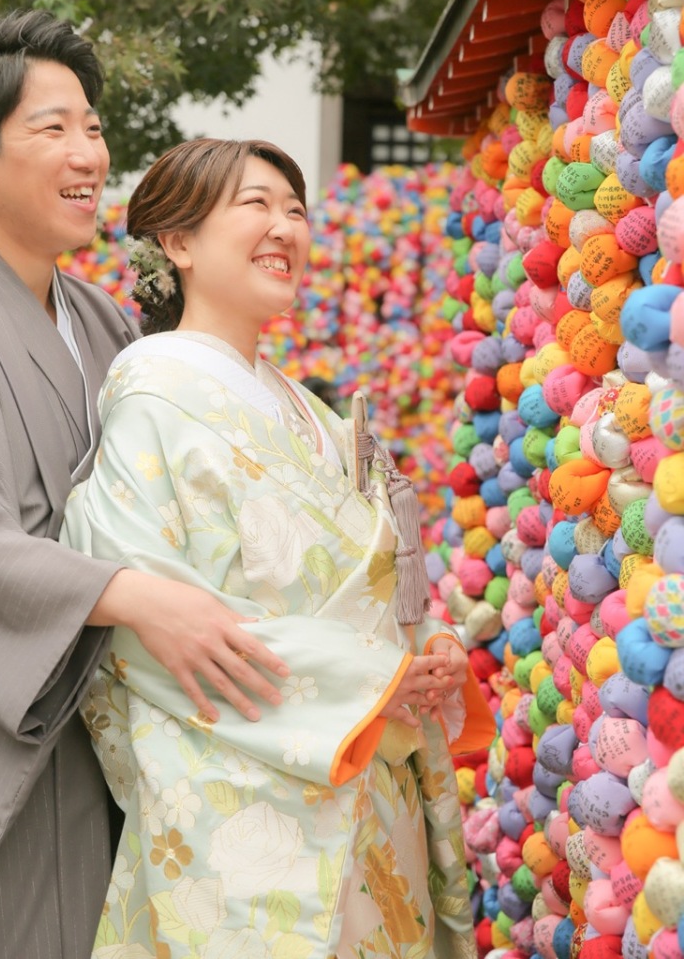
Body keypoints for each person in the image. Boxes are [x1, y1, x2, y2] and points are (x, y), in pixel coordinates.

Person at [0, 15, 291, 959]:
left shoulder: (106, 320)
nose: (88, 154)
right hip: (4, 735)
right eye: (53, 128)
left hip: (127, 719)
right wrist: (137, 595)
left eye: (95, 127)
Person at [62, 137, 496, 958]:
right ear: (178, 242)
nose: (284, 227)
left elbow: (369, 588)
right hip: (261, 803)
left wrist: (420, 655)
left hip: (366, 776)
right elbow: (150, 626)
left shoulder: (310, 411)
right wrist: (374, 681)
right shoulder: (153, 397)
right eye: (255, 204)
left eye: (294, 209)